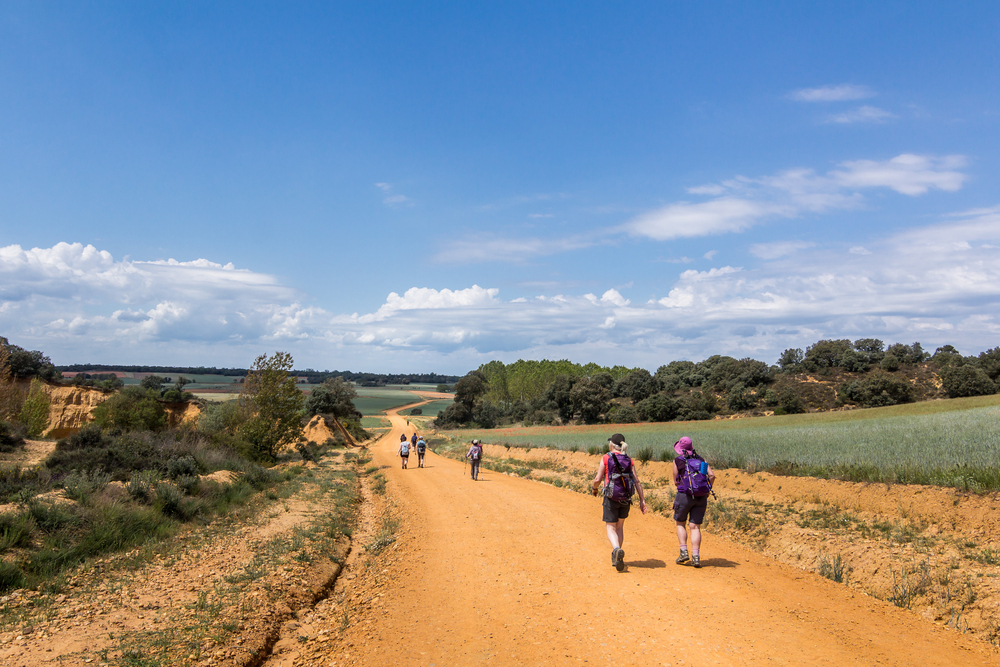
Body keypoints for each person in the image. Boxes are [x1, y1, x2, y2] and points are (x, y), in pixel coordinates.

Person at [591, 433, 646, 572]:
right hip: (626, 498)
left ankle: (616, 549)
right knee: (620, 527)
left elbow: (598, 478)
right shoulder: (629, 460)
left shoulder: (606, 457)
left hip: (610, 497)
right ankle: (618, 555)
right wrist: (642, 500)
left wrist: (594, 488)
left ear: (612, 444)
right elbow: (636, 481)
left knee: (610, 527)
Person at [672, 436, 715, 568]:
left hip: (684, 495)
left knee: (680, 523)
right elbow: (711, 475)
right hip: (701, 496)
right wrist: (707, 490)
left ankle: (684, 551)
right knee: (695, 526)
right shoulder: (701, 460)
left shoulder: (678, 460)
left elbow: (675, 480)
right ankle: (696, 557)